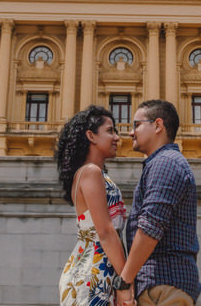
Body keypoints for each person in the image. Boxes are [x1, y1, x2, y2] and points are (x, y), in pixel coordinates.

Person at [113, 99, 201, 306]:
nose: (131, 133)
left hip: (164, 284)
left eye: (137, 125)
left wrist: (124, 282)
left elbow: (150, 227)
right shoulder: (162, 163)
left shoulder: (165, 163)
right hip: (162, 283)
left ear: (158, 125)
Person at [56, 105, 128, 306]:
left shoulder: (90, 173)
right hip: (95, 271)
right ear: (91, 136)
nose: (117, 138)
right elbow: (105, 231)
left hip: (95, 267)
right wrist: (126, 284)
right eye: (110, 130)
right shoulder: (90, 172)